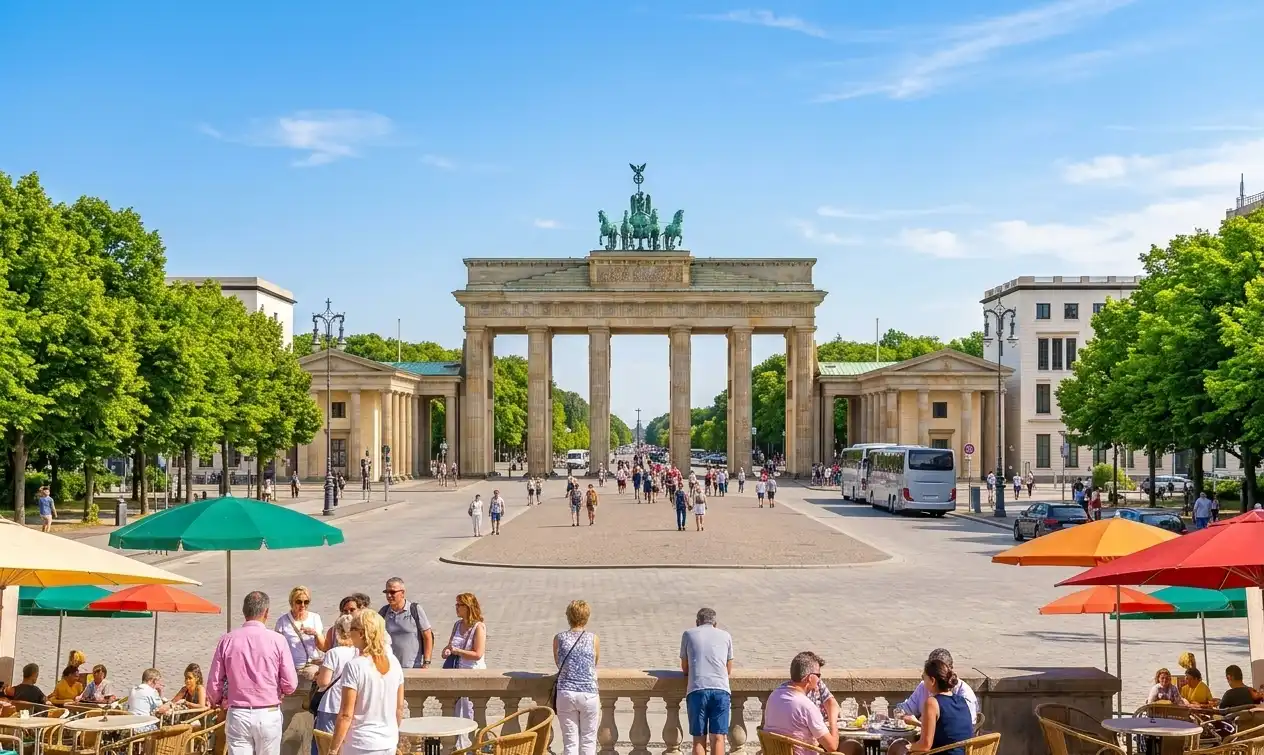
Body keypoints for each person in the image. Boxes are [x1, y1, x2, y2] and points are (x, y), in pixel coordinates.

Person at [208, 591, 299, 755]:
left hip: (239, 712)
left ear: (244, 612)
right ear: (266, 612)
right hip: (268, 711)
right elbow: (290, 684)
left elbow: (214, 683)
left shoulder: (227, 640)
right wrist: (282, 690)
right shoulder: (278, 640)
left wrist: (219, 699)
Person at [329, 611, 405, 755]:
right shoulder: (395, 662)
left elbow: (346, 714)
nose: (349, 633)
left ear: (362, 633)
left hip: (360, 744)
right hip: (388, 741)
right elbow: (399, 708)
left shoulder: (355, 666)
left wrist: (333, 749)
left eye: (352, 628)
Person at [761, 652, 839, 755]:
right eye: (818, 675)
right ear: (810, 678)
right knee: (853, 748)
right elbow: (832, 746)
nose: (819, 679)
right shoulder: (806, 706)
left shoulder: (774, 696)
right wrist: (833, 721)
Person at [680, 608, 733, 755]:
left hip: (697, 689)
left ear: (697, 622)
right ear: (715, 623)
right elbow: (728, 669)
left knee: (699, 739)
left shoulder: (688, 634)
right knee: (718, 738)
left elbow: (685, 668)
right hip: (720, 689)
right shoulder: (726, 636)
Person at [891, 659, 973, 755]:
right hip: (965, 752)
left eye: (924, 677)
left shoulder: (932, 702)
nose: (923, 681)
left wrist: (904, 746)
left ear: (932, 680)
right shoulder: (961, 700)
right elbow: (947, 731)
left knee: (896, 748)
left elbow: (925, 745)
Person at [554, 600, 600, 755]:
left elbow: (559, 664)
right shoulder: (593, 638)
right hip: (589, 693)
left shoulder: (559, 638)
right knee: (588, 741)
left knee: (570, 742)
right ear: (587, 617)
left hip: (566, 692)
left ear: (568, 616)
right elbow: (594, 663)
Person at [443, 593, 487, 748]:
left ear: (467, 607)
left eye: (459, 605)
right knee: (456, 711)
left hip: (473, 673)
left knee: (470, 712)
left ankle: (474, 746)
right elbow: (450, 645)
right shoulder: (457, 624)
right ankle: (458, 745)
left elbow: (478, 654)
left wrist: (457, 651)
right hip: (456, 671)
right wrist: (447, 651)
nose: (456, 608)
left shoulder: (478, 627)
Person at [896, 649, 979, 725]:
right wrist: (900, 713)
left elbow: (958, 729)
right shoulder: (924, 686)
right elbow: (905, 709)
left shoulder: (964, 696)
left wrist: (918, 723)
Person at [315, 614, 359, 751]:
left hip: (331, 705)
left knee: (326, 747)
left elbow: (323, 682)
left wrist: (317, 675)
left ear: (338, 631)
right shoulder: (359, 652)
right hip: (351, 705)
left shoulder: (334, 653)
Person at [379, 578, 433, 669]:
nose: (389, 595)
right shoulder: (383, 612)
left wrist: (427, 662)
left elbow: (427, 636)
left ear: (402, 593)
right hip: (390, 668)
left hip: (412, 667)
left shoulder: (415, 609)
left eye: (392, 592)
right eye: (386, 592)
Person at [276, 585, 327, 681]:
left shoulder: (315, 618)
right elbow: (277, 649)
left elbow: (323, 647)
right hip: (292, 668)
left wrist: (315, 634)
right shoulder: (282, 621)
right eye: (299, 602)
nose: (303, 605)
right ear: (291, 602)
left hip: (312, 665)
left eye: (306, 602)